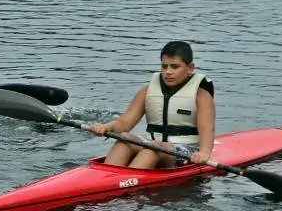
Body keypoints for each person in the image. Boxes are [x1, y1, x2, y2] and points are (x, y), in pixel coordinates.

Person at [87, 40, 215, 168]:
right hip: (154, 145)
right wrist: (106, 127)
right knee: (125, 138)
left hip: (187, 150)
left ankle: (127, 180)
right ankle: (105, 177)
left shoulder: (202, 96)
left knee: (154, 147)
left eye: (175, 67)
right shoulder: (147, 91)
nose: (168, 72)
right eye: (164, 66)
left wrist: (203, 153)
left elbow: (206, 129)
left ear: (190, 68)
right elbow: (124, 123)